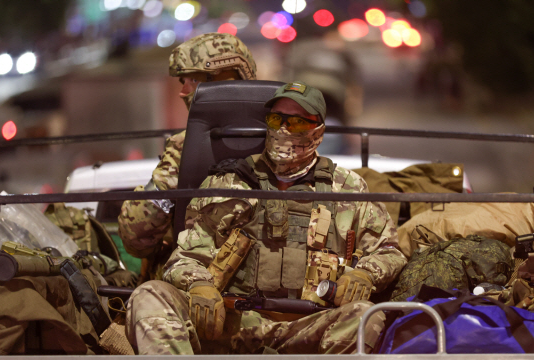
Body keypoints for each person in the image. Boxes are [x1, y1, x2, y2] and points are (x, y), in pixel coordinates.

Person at [125, 81, 407, 355]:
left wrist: (365, 273)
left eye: (297, 123)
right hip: (228, 323)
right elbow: (185, 256)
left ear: (318, 131)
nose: (284, 129)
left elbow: (389, 252)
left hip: (306, 327)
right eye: (276, 119)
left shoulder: (347, 188)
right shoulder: (228, 183)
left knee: (364, 315)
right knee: (149, 294)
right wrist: (198, 284)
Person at [118, 33, 257, 277]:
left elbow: (135, 236)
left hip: (189, 288)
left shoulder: (186, 146)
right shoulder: (290, 141)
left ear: (224, 80)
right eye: (182, 80)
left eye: (192, 79)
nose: (183, 91)